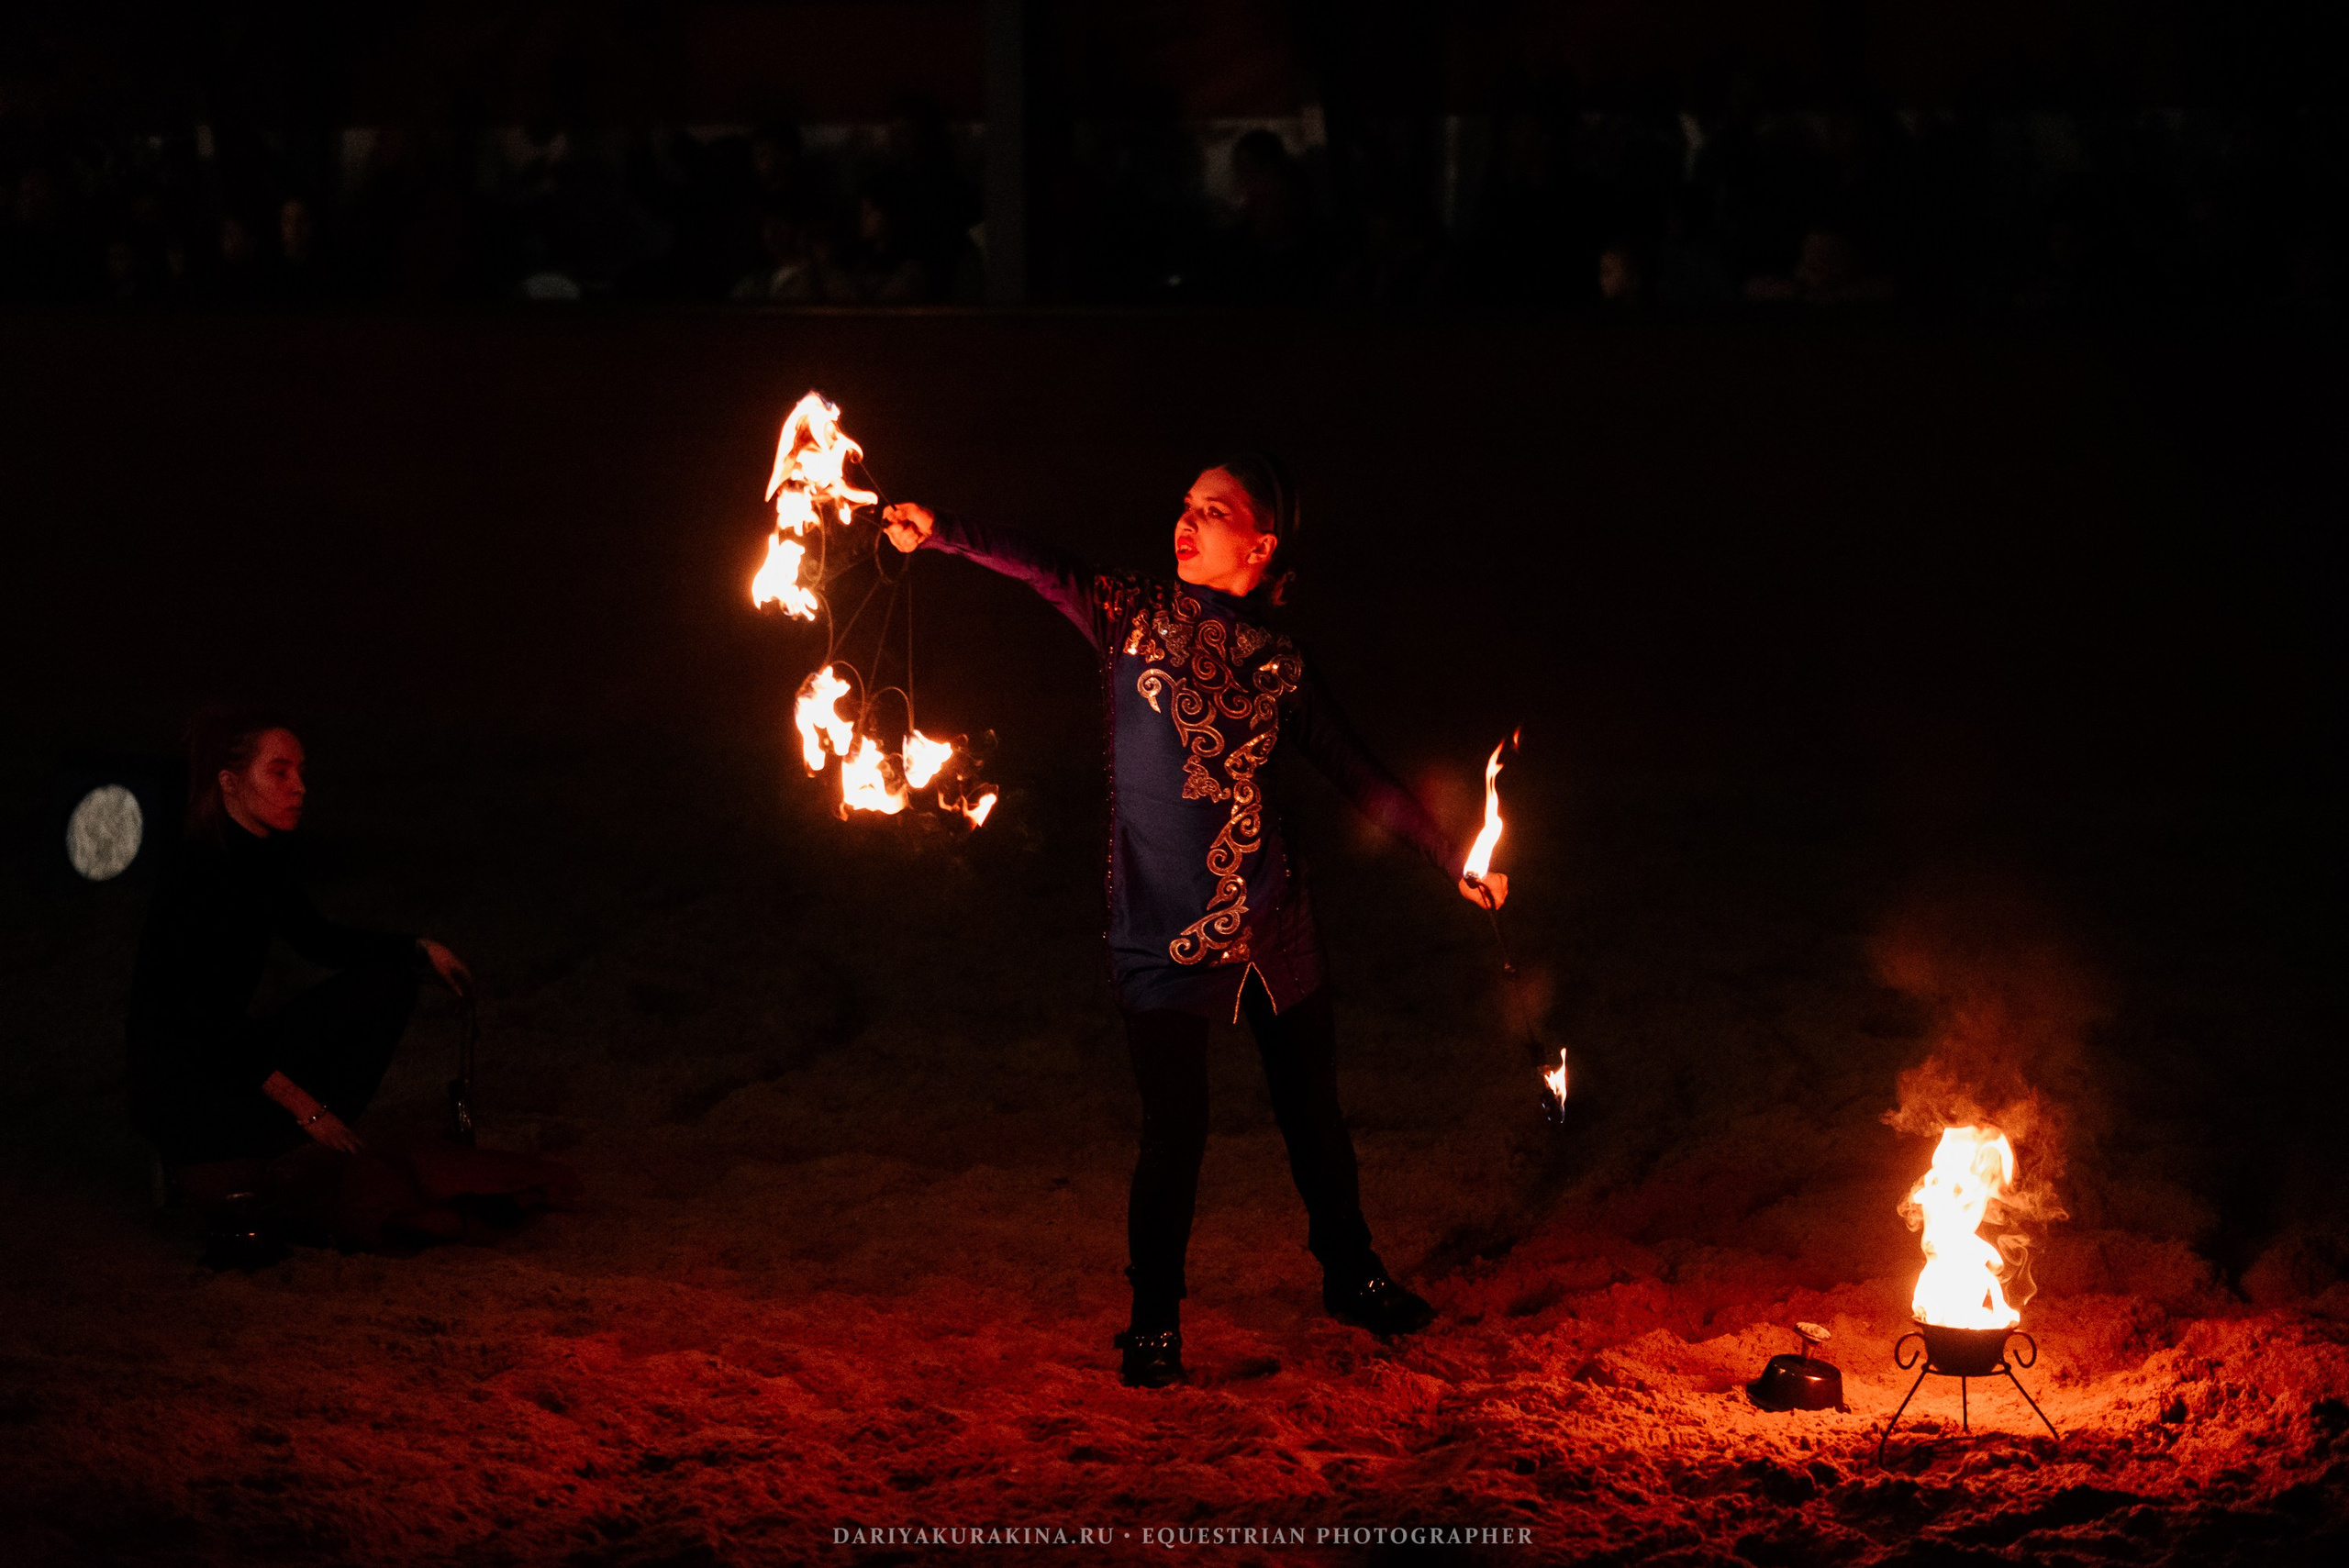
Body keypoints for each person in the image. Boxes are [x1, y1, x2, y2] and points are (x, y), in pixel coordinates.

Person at [880, 456, 1507, 1388]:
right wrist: (941, 528)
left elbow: (1355, 767)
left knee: (1313, 1116)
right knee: (1173, 1129)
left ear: (1258, 547)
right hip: (1158, 926)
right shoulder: (1130, 613)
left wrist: (1451, 855)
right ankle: (1154, 1321)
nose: (1187, 520)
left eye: (1214, 512)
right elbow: (1045, 565)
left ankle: (1353, 1274)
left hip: (1270, 916)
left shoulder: (1278, 661)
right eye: (1184, 505)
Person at [127, 713, 569, 1255]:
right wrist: (308, 1108)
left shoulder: (260, 855)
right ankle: (221, 1160)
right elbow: (203, 1021)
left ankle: (274, 1148)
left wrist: (417, 949)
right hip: (182, 1080)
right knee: (285, 1129)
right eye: (280, 773)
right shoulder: (200, 872)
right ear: (229, 782)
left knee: (386, 984)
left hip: (226, 1054)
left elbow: (318, 940)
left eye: (301, 772)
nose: (299, 787)